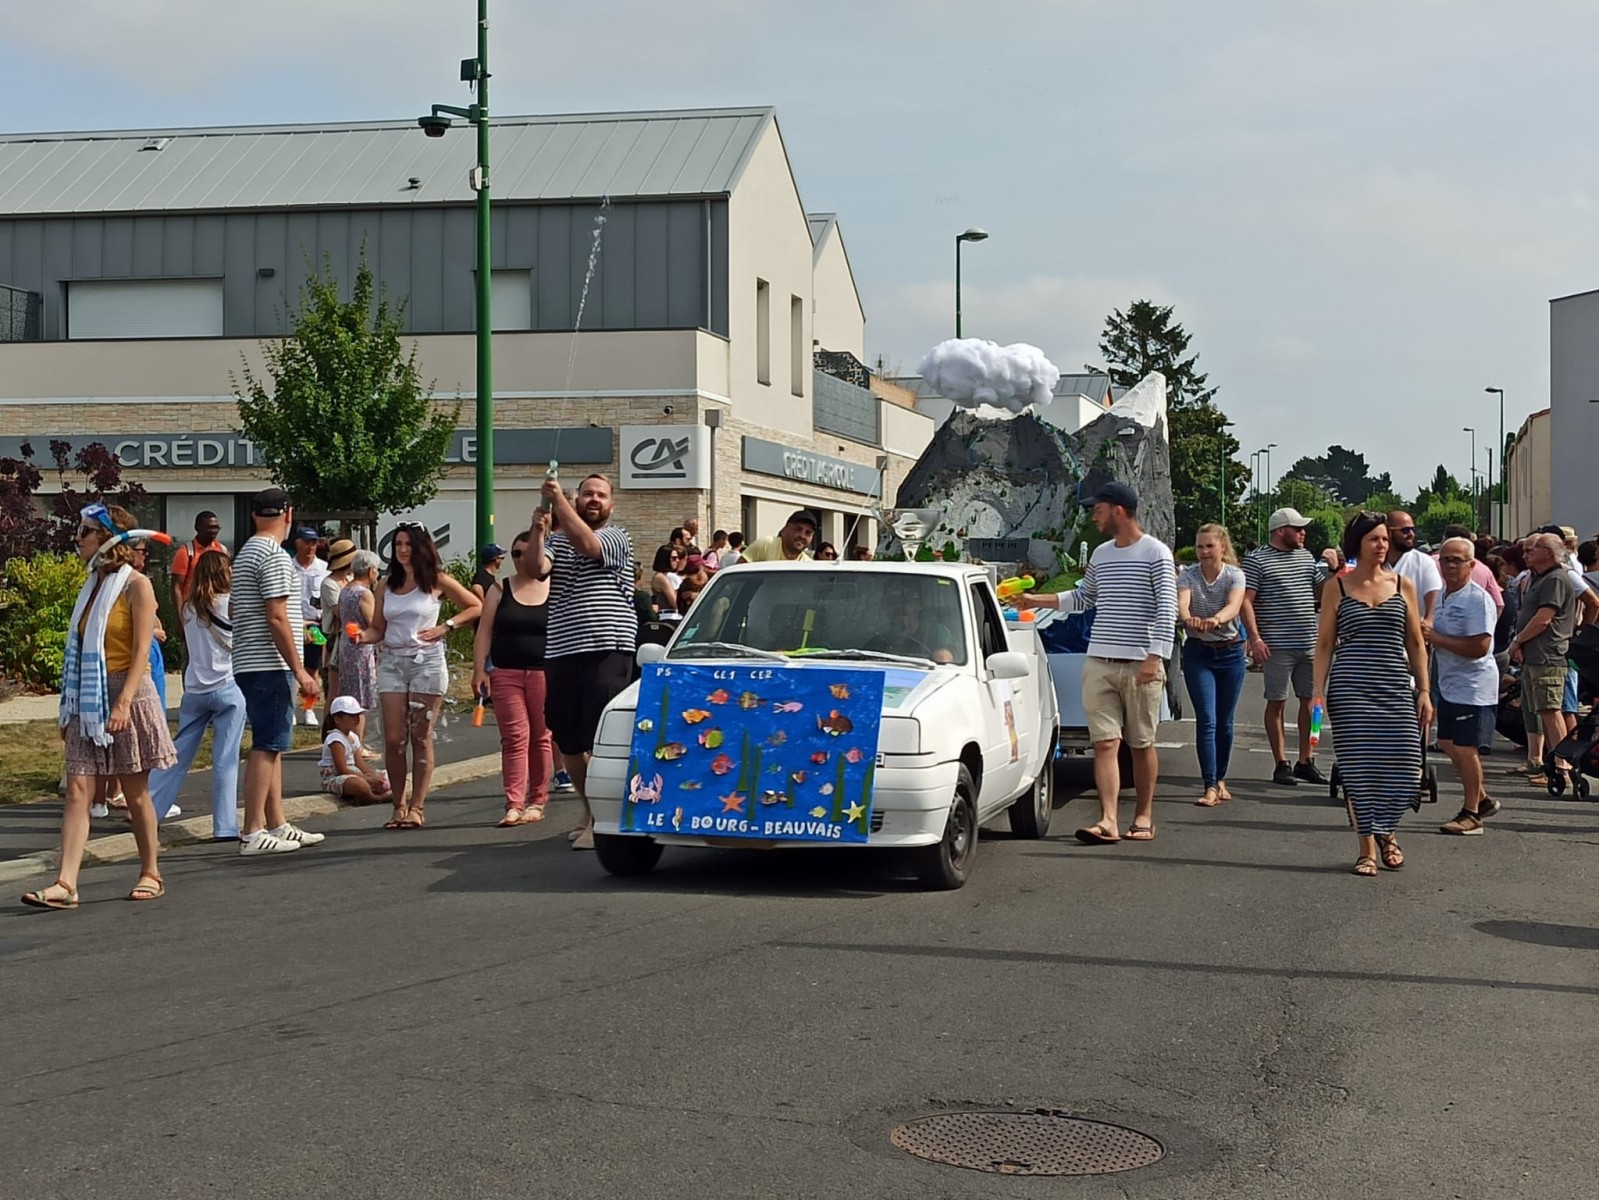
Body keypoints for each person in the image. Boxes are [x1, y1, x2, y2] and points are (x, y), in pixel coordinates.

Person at [22, 504, 178, 909]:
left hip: (128, 693)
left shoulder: (136, 586)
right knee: (78, 788)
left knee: (134, 791)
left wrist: (123, 702)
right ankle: (65, 883)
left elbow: (142, 651)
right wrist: (69, 707)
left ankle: (151, 871)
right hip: (88, 697)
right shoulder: (92, 584)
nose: (78, 538)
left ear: (110, 538)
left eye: (86, 531)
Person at [1017, 481, 1175, 844]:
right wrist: (1036, 601)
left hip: (1140, 664)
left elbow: (1168, 609)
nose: (1093, 516)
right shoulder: (1102, 554)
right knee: (1104, 743)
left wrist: (1155, 656)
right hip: (1099, 662)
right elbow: (1084, 598)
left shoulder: (1156, 553)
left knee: (1141, 744)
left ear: (1118, 510)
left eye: (1098, 509)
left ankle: (1144, 815)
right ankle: (1108, 820)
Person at [1312, 511, 1430, 877]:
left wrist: (1424, 690)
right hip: (1351, 688)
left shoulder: (1402, 584)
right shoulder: (1337, 586)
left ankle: (1387, 829)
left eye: (1384, 539)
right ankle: (1367, 846)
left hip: (1395, 686)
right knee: (1358, 769)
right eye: (1373, 539)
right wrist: (1317, 693)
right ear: (1358, 544)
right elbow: (1325, 643)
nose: (1381, 545)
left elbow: (1415, 642)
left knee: (1407, 764)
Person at [533, 473, 637, 850]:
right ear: (578, 500)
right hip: (563, 649)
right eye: (587, 494)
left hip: (608, 646)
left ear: (611, 504)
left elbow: (589, 545)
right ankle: (590, 809)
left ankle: (599, 820)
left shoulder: (617, 536)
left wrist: (558, 501)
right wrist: (538, 531)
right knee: (568, 739)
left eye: (601, 495)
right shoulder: (558, 541)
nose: (594, 499)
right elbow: (536, 570)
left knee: (599, 736)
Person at [357, 522, 481, 830]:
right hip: (392, 662)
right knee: (394, 738)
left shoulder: (436, 580)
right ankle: (398, 805)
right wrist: (362, 636)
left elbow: (475, 606)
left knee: (420, 736)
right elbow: (378, 628)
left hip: (426, 663)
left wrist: (446, 626)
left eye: (408, 544)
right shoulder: (385, 584)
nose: (402, 550)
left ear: (421, 547)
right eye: (398, 544)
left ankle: (417, 807)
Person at [232, 489, 324, 855]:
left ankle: (276, 822)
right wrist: (300, 669)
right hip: (268, 662)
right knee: (267, 745)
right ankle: (253, 830)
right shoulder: (274, 555)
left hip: (249, 659)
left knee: (274, 744)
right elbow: (277, 616)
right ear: (288, 513)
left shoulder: (247, 552)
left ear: (254, 515)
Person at [149, 551, 246, 841]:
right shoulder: (231, 603)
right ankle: (225, 826)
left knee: (177, 754)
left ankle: (148, 809)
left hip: (194, 688)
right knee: (225, 759)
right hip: (227, 685)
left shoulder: (190, 608)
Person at [1241, 507, 1333, 786]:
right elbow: (1246, 601)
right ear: (1281, 531)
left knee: (1313, 703)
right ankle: (1281, 762)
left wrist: (1334, 571)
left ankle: (1307, 759)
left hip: (1308, 642)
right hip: (1277, 644)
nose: (1303, 533)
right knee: (1277, 701)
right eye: (1298, 528)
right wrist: (1255, 638)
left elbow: (1322, 593)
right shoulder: (1257, 560)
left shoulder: (1305, 557)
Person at [472, 523, 554, 826]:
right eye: (516, 554)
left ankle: (538, 799)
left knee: (541, 737)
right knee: (514, 738)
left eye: (527, 553)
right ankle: (514, 803)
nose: (521, 559)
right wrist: (479, 669)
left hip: (544, 672)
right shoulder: (499, 589)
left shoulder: (555, 588)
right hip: (506, 672)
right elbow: (484, 632)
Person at [1426, 538, 1502, 835]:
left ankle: (1472, 814)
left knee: (1465, 747)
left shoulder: (1477, 600)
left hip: (1473, 686)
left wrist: (1437, 639)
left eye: (1457, 560)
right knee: (1446, 742)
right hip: (1449, 683)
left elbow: (1480, 647)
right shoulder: (1442, 595)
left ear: (1472, 565)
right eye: (1445, 559)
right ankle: (1481, 798)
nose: (1450, 565)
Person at [1177, 523, 1247, 807]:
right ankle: (1209, 785)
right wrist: (1188, 618)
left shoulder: (1234, 575)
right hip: (1198, 653)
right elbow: (1183, 603)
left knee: (1224, 722)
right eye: (1200, 546)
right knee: (1207, 720)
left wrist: (1216, 619)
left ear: (1222, 547)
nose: (1204, 552)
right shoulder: (1188, 575)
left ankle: (1220, 778)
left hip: (1230, 653)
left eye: (1210, 546)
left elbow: (1234, 606)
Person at [1509, 532, 1578, 789]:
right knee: (1540, 709)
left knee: (1550, 710)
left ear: (1549, 553)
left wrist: (1518, 641)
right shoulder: (1541, 578)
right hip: (1534, 655)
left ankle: (1563, 766)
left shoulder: (1556, 579)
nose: (1526, 554)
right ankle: (1549, 763)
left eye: (1532, 550)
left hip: (1548, 655)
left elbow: (1543, 619)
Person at [337, 550, 381, 742]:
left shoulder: (345, 590)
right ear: (370, 570)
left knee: (349, 695)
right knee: (361, 698)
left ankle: (349, 741)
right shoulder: (364, 593)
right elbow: (374, 623)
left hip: (346, 644)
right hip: (361, 647)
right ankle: (357, 744)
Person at [318, 696, 390, 804]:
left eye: (357, 715)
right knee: (358, 784)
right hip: (338, 777)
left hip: (355, 773)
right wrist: (366, 779)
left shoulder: (353, 737)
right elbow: (341, 769)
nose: (357, 719)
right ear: (337, 720)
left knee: (386, 775)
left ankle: (366, 793)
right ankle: (375, 798)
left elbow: (359, 762)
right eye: (352, 716)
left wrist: (372, 775)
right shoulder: (335, 739)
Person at [291, 527, 330, 726]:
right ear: (297, 543)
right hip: (292, 624)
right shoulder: (288, 567)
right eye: (306, 542)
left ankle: (308, 709)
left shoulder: (324, 569)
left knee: (312, 669)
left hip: (315, 625)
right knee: (290, 668)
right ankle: (290, 709)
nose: (310, 547)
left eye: (314, 543)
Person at [871, 583, 958, 663]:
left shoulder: (936, 633)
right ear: (885, 607)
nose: (900, 606)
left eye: (907, 602)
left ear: (919, 605)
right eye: (893, 602)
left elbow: (943, 660)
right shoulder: (877, 642)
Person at [1385, 511, 1444, 621]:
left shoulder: (1423, 562)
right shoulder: (1374, 561)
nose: (1411, 534)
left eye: (1413, 529)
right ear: (1388, 532)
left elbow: (1435, 595)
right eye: (1405, 530)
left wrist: (1429, 620)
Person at [320, 539, 356, 705]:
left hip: (352, 636)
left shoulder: (350, 579)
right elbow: (340, 612)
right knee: (334, 690)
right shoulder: (329, 584)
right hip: (336, 636)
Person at [169, 510, 227, 609]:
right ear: (197, 528)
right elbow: (177, 587)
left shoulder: (222, 550)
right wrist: (180, 615)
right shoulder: (186, 552)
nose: (213, 531)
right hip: (193, 608)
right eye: (209, 528)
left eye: (216, 527)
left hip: (217, 607)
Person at [742, 511, 818, 562]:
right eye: (798, 529)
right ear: (784, 530)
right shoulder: (767, 545)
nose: (802, 536)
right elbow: (739, 574)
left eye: (808, 533)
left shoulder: (807, 565)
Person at [649, 544, 685, 622]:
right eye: (674, 558)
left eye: (678, 558)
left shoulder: (666, 575)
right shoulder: (660, 577)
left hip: (673, 615)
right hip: (668, 617)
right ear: (665, 559)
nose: (677, 560)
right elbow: (675, 602)